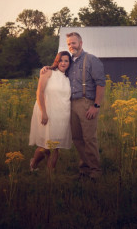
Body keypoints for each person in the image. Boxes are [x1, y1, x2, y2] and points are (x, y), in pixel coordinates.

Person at [43, 32, 106, 179]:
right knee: (77, 139)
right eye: (69, 44)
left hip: (86, 103)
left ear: (81, 43)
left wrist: (96, 106)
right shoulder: (70, 62)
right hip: (71, 104)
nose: (72, 46)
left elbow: (101, 84)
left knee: (89, 138)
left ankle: (95, 171)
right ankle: (84, 170)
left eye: (74, 43)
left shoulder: (91, 60)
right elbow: (58, 68)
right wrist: (46, 68)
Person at [29, 51, 72, 171]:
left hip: (62, 115)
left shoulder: (69, 78)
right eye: (61, 60)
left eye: (66, 61)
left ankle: (50, 176)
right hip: (47, 112)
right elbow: (40, 93)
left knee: (56, 146)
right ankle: (33, 164)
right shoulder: (48, 72)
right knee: (45, 146)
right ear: (56, 61)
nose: (63, 63)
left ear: (69, 63)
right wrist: (44, 112)